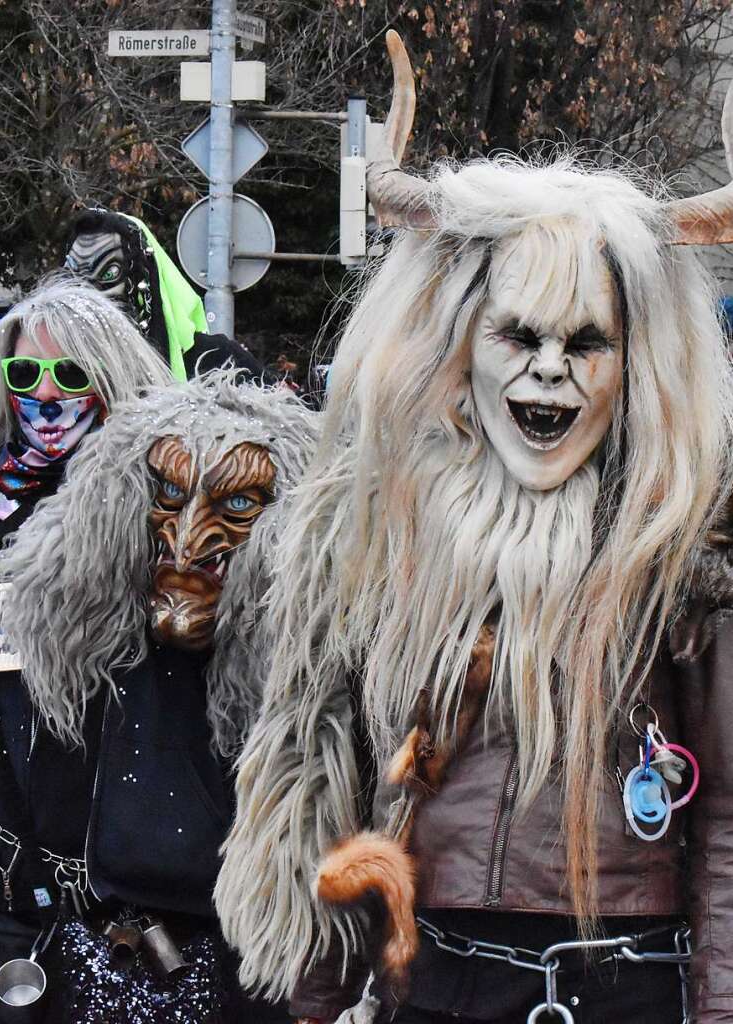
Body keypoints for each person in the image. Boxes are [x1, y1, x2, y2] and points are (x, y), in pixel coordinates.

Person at [215, 31, 733, 1024]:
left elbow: (725, 818)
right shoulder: (376, 532)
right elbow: (325, 769)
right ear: (465, 343)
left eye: (583, 342)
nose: (548, 370)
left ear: (634, 364)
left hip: (620, 986)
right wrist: (313, 999)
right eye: (518, 336)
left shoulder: (682, 550)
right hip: (437, 980)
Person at [0, 368, 318, 1022]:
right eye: (168, 494)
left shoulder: (309, 655)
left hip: (249, 951)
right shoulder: (77, 622)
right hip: (95, 939)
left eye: (235, 506)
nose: (190, 538)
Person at [0, 275, 173, 1021]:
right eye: (25, 373)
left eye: (71, 372)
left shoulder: (172, 512)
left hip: (139, 895)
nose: (47, 395)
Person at [65, 207, 277, 383]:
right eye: (73, 276)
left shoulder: (215, 360)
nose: (86, 293)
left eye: (109, 273)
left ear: (146, 280)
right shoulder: (50, 368)